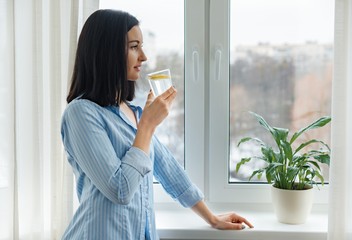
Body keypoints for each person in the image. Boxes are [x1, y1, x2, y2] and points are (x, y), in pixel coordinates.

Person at [60, 9, 253, 240]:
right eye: (134, 47)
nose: (143, 56)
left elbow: (168, 169)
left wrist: (211, 217)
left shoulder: (131, 112)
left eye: (141, 46)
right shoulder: (81, 113)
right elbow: (119, 189)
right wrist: (148, 126)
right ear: (107, 52)